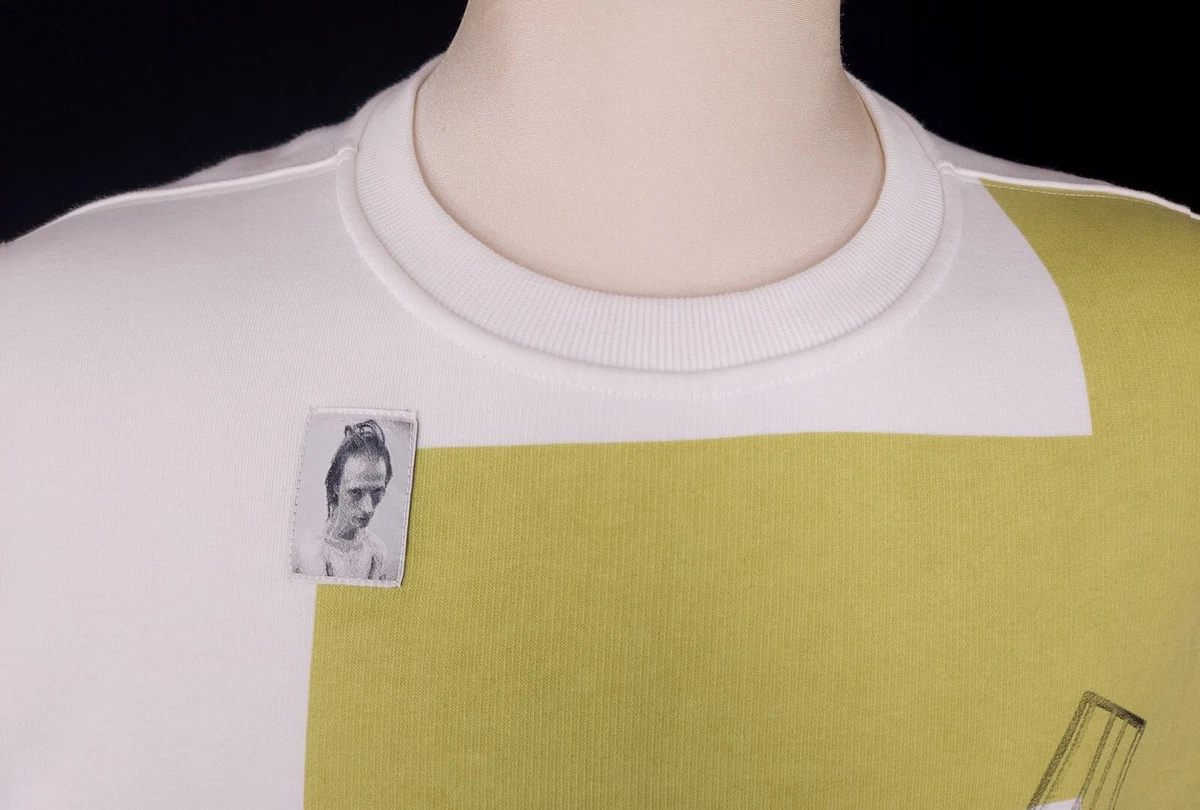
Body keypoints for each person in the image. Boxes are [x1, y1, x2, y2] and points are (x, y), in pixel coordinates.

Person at [293, 420, 395, 581]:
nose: (368, 508)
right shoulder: (312, 550)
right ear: (336, 486)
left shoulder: (377, 551)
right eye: (355, 492)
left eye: (377, 492)